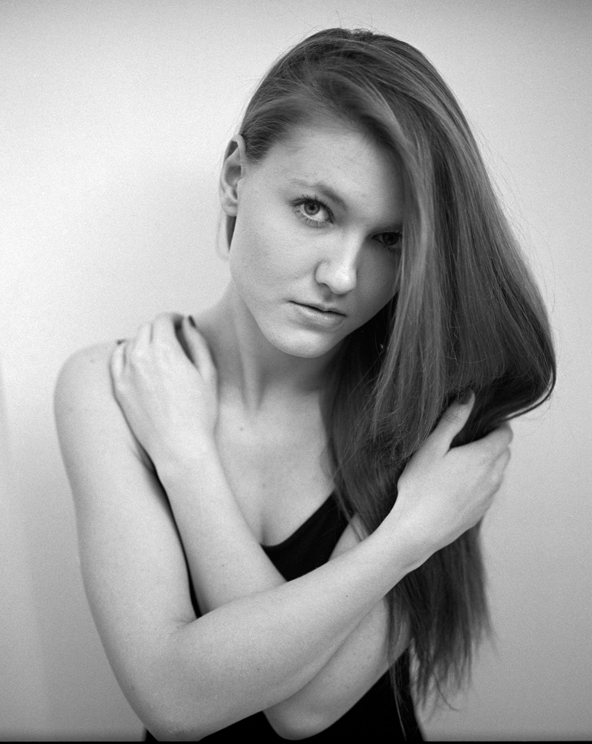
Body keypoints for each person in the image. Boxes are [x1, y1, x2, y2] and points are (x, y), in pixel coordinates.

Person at [54, 28, 555, 741]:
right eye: (315, 209)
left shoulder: (432, 411)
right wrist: (411, 530)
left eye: (389, 239)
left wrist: (186, 460)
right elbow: (173, 699)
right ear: (236, 177)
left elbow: (303, 711)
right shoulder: (108, 388)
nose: (343, 276)